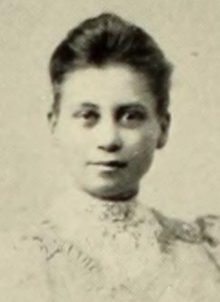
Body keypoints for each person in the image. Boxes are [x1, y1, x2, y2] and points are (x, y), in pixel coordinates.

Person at [1, 12, 220, 302]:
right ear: (55, 125)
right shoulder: (16, 261)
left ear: (163, 128)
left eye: (131, 116)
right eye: (88, 116)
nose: (109, 140)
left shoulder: (204, 253)